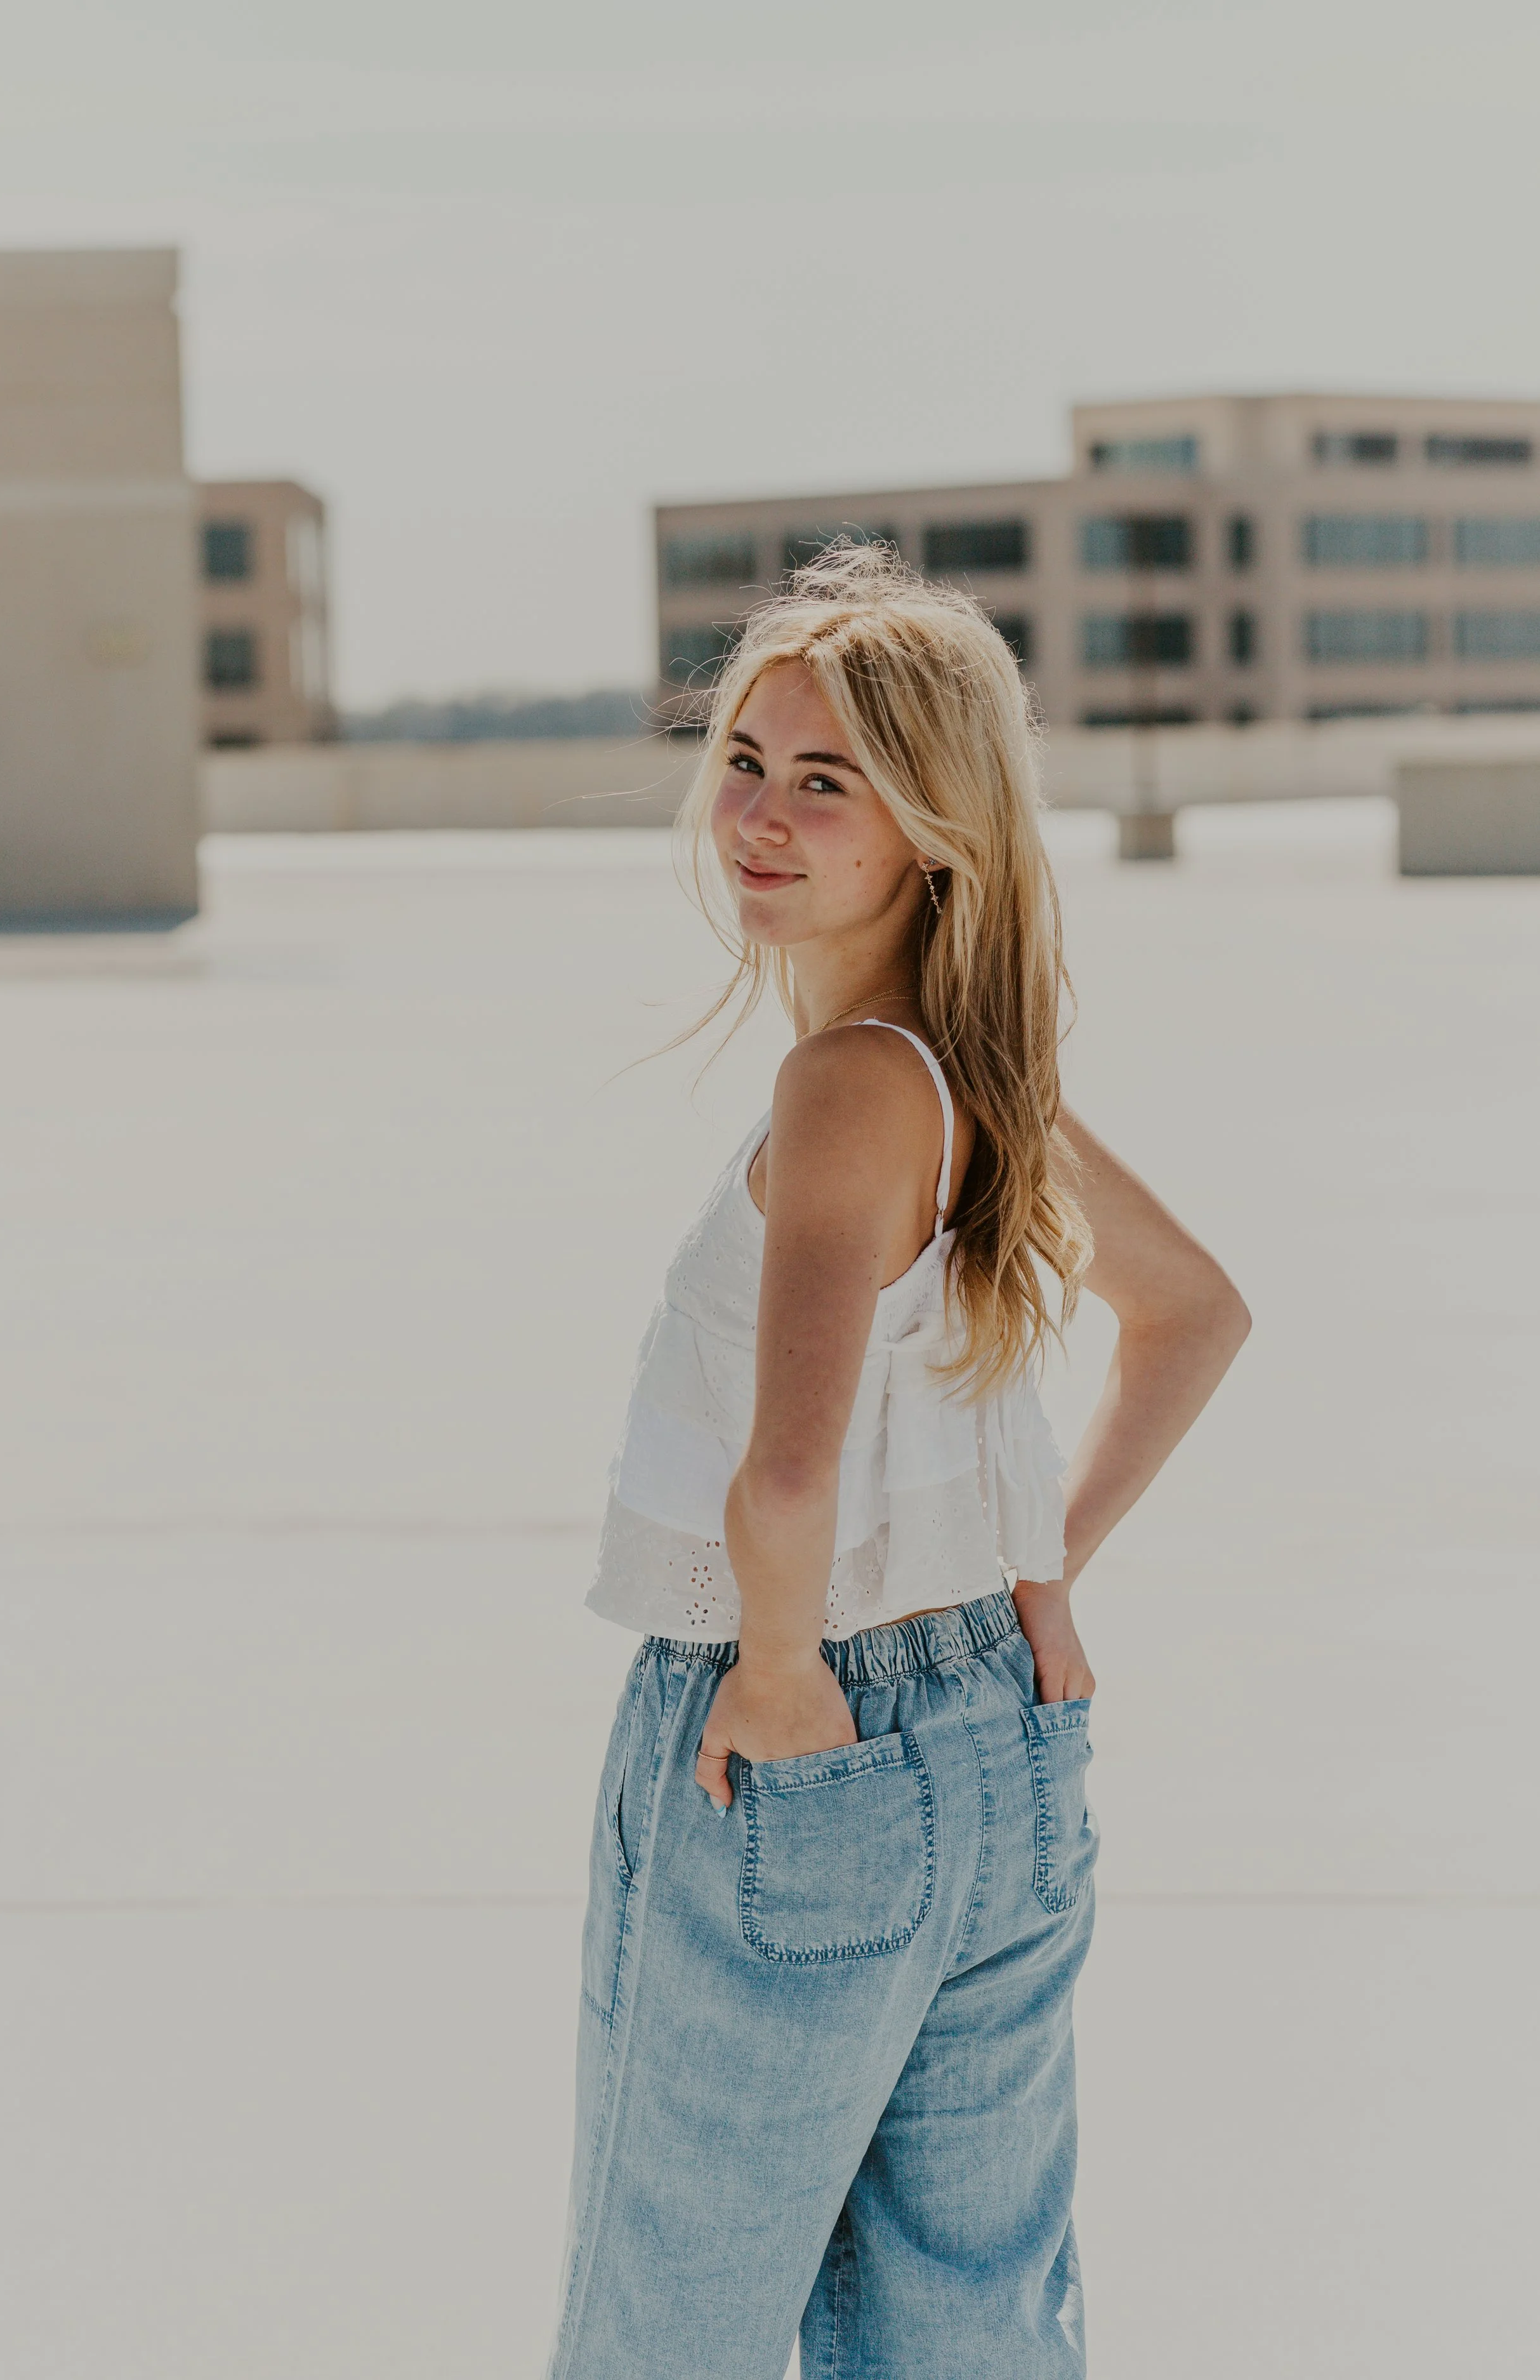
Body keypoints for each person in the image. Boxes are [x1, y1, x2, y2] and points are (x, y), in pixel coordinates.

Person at [549, 545, 1249, 2380]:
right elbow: (1194, 1315)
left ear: (929, 823)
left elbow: (783, 1483)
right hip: (1000, 1755)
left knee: (666, 2328)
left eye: (825, 780)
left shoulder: (849, 1085)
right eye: (744, 762)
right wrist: (1037, 1567)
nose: (759, 819)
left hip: (807, 1754)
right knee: (967, 2326)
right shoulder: (976, 1069)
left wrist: (777, 1670)